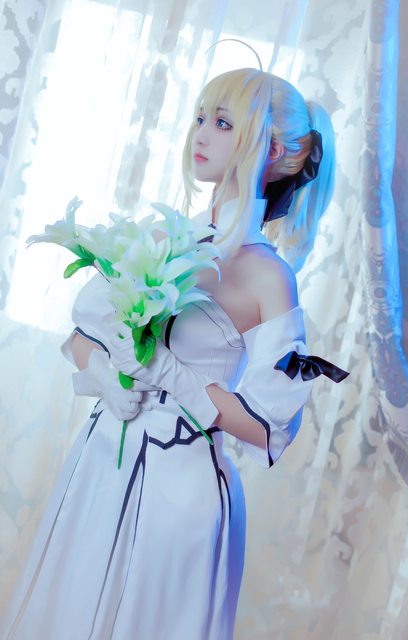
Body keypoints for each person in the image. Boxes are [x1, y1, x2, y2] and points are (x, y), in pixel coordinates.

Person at [1, 67, 345, 640]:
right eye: (201, 117)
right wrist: (106, 376)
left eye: (223, 122)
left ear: (272, 150)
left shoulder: (269, 277)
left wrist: (168, 373)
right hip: (99, 465)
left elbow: (268, 427)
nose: (200, 134)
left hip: (180, 493)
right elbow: (82, 333)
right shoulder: (160, 236)